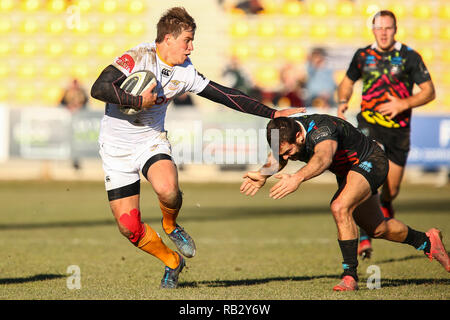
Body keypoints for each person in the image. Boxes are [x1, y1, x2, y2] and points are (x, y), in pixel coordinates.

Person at [90, 7, 304, 289]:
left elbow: (226, 95)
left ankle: (170, 225)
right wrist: (136, 99)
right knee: (129, 227)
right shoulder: (137, 57)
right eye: (187, 40)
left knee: (168, 189)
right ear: (168, 38)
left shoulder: (185, 72)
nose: (192, 47)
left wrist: (272, 113)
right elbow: (99, 88)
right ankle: (172, 262)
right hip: (115, 149)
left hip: (150, 141)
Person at [240, 115, 449, 291]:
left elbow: (323, 158)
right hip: (349, 173)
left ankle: (350, 276)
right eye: (282, 152)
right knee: (377, 228)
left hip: (371, 160)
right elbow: (277, 158)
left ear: (299, 136)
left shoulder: (323, 130)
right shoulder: (282, 132)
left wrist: (297, 177)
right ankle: (428, 241)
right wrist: (263, 174)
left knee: (340, 206)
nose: (287, 157)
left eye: (289, 152)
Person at [337, 10, 435, 259]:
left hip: (399, 132)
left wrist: (402, 104)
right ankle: (366, 235)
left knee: (391, 190)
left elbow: (429, 92)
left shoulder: (409, 57)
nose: (383, 32)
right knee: (366, 179)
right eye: (379, 27)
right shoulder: (362, 55)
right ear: (373, 29)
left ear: (395, 29)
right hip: (368, 127)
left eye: (388, 28)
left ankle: (381, 218)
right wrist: (342, 101)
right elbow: (347, 82)